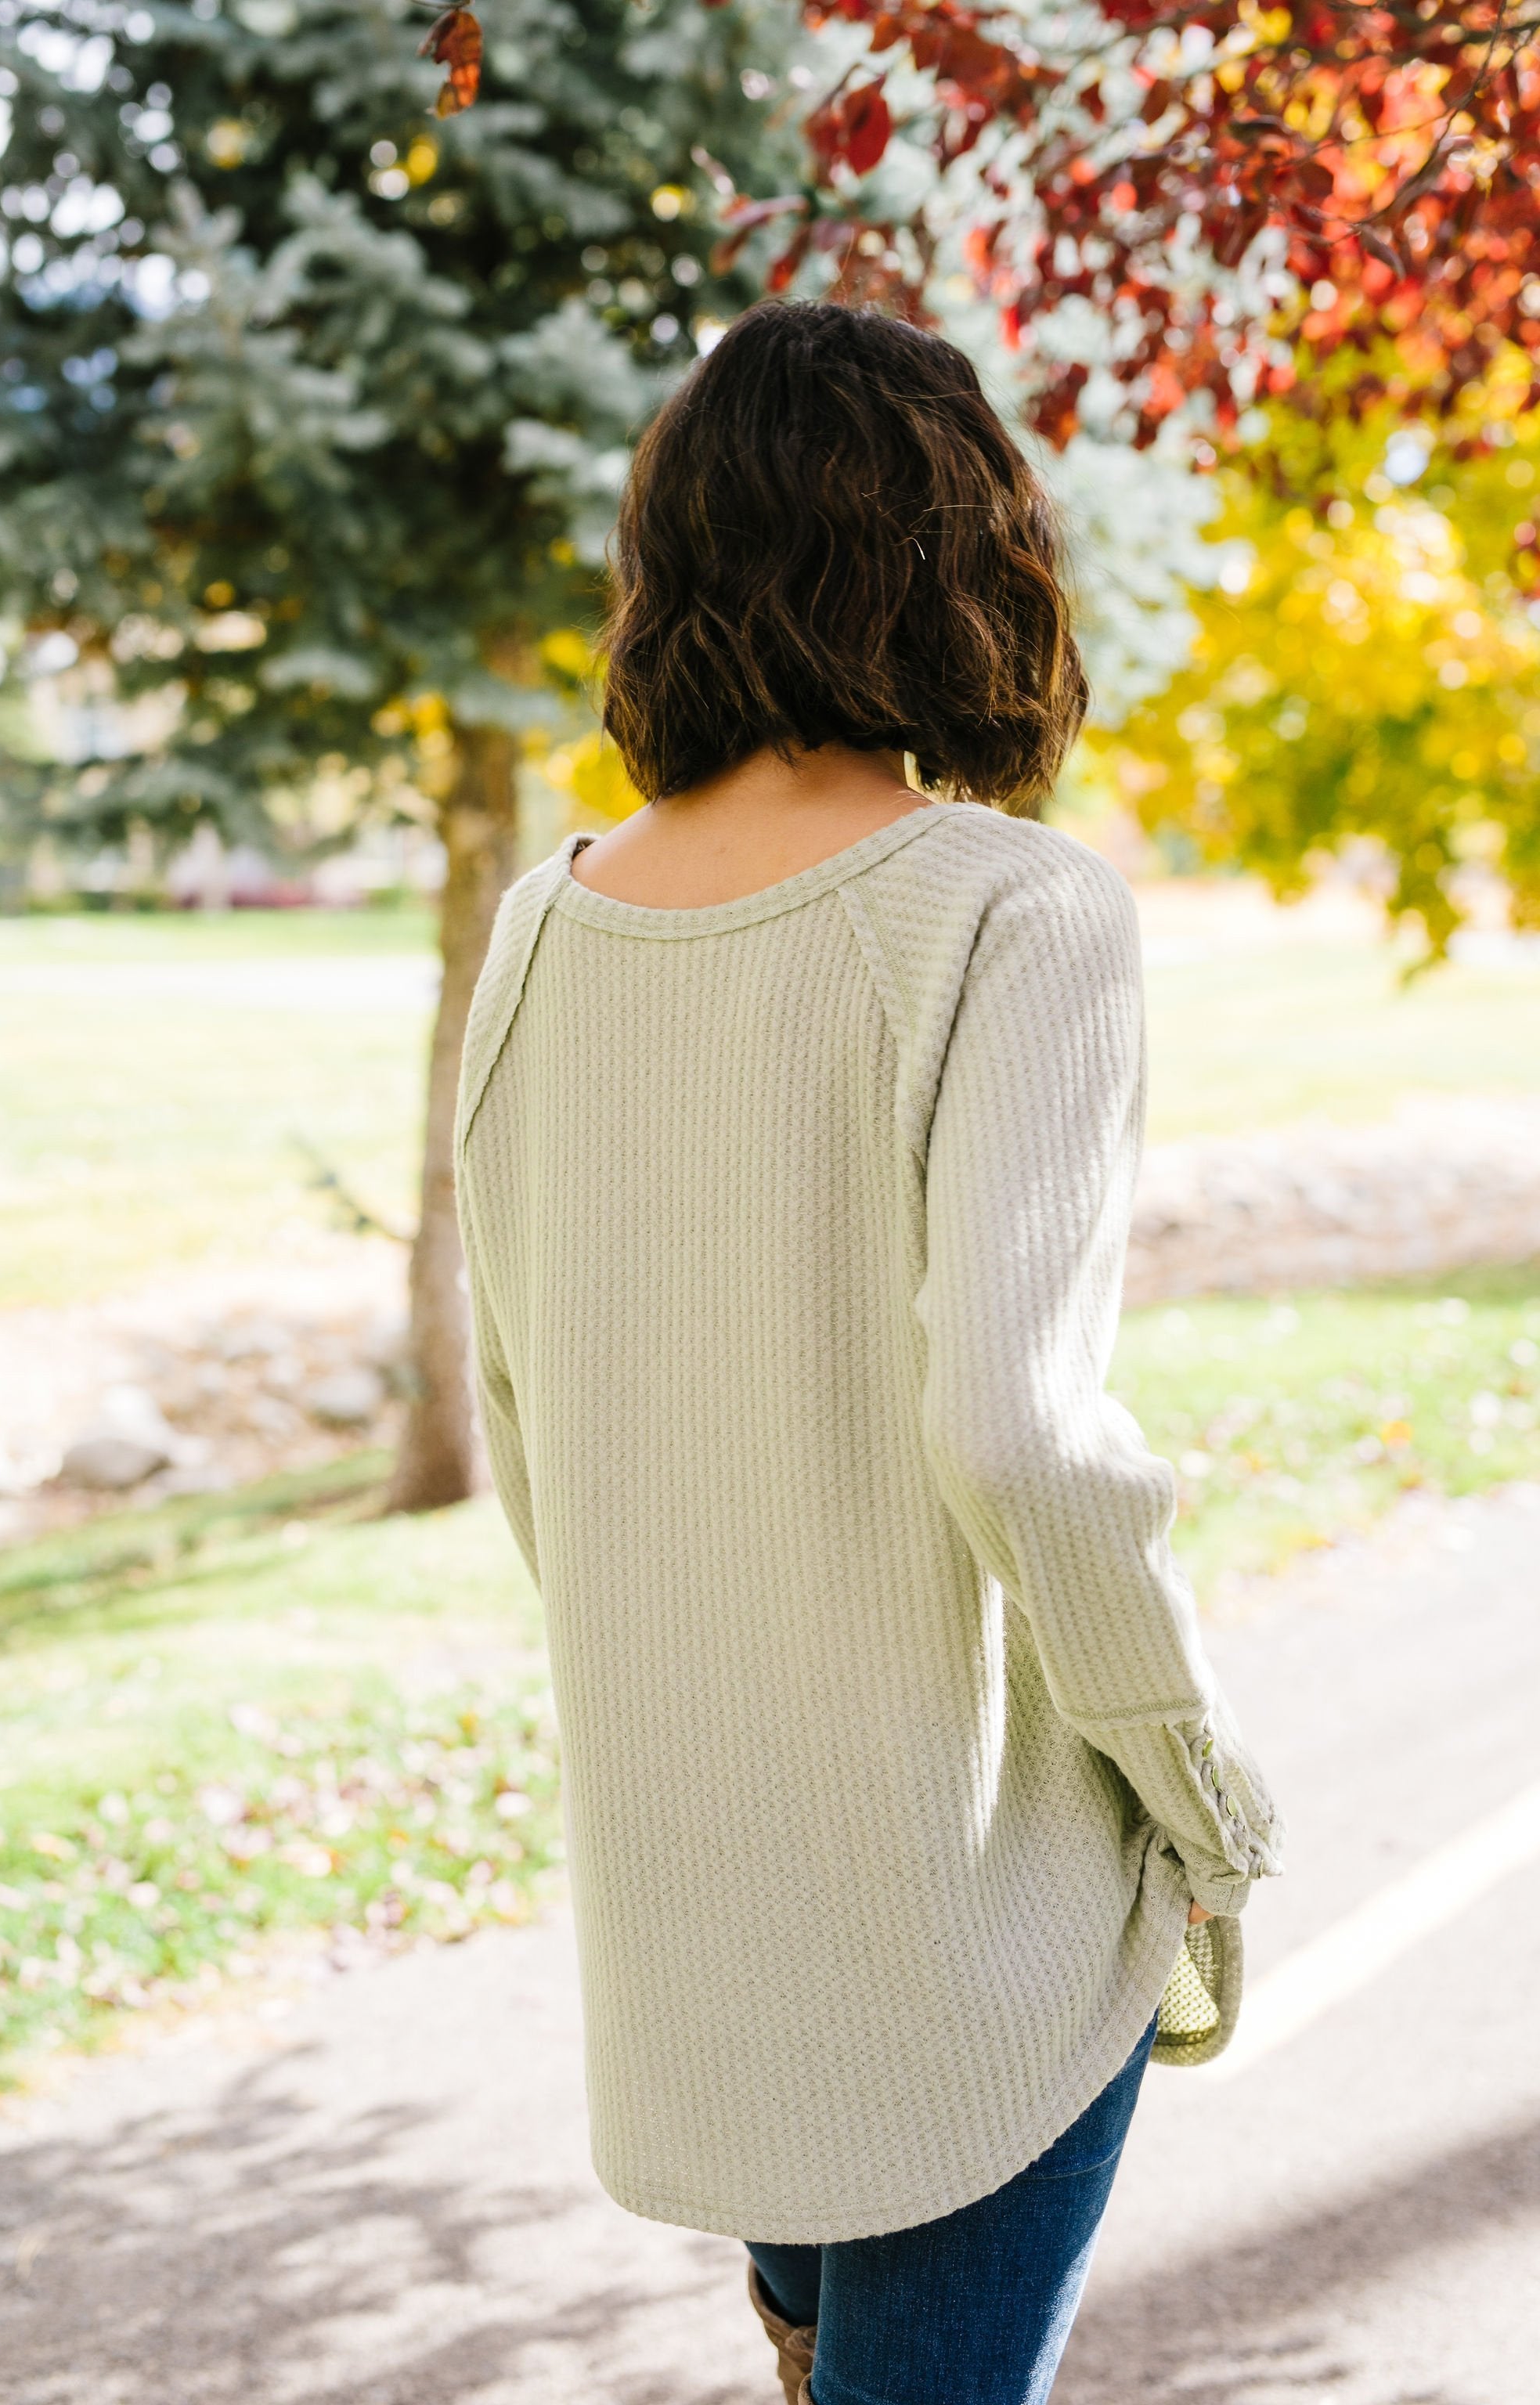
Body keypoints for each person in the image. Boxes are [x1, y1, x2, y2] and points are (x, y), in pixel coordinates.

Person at [454, 301, 1283, 2405]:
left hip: (699, 1927)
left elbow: (529, 1429)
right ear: (964, 549)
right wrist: (1197, 1796)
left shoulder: (539, 928)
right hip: (956, 1938)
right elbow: (1017, 1424)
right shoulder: (1017, 912)